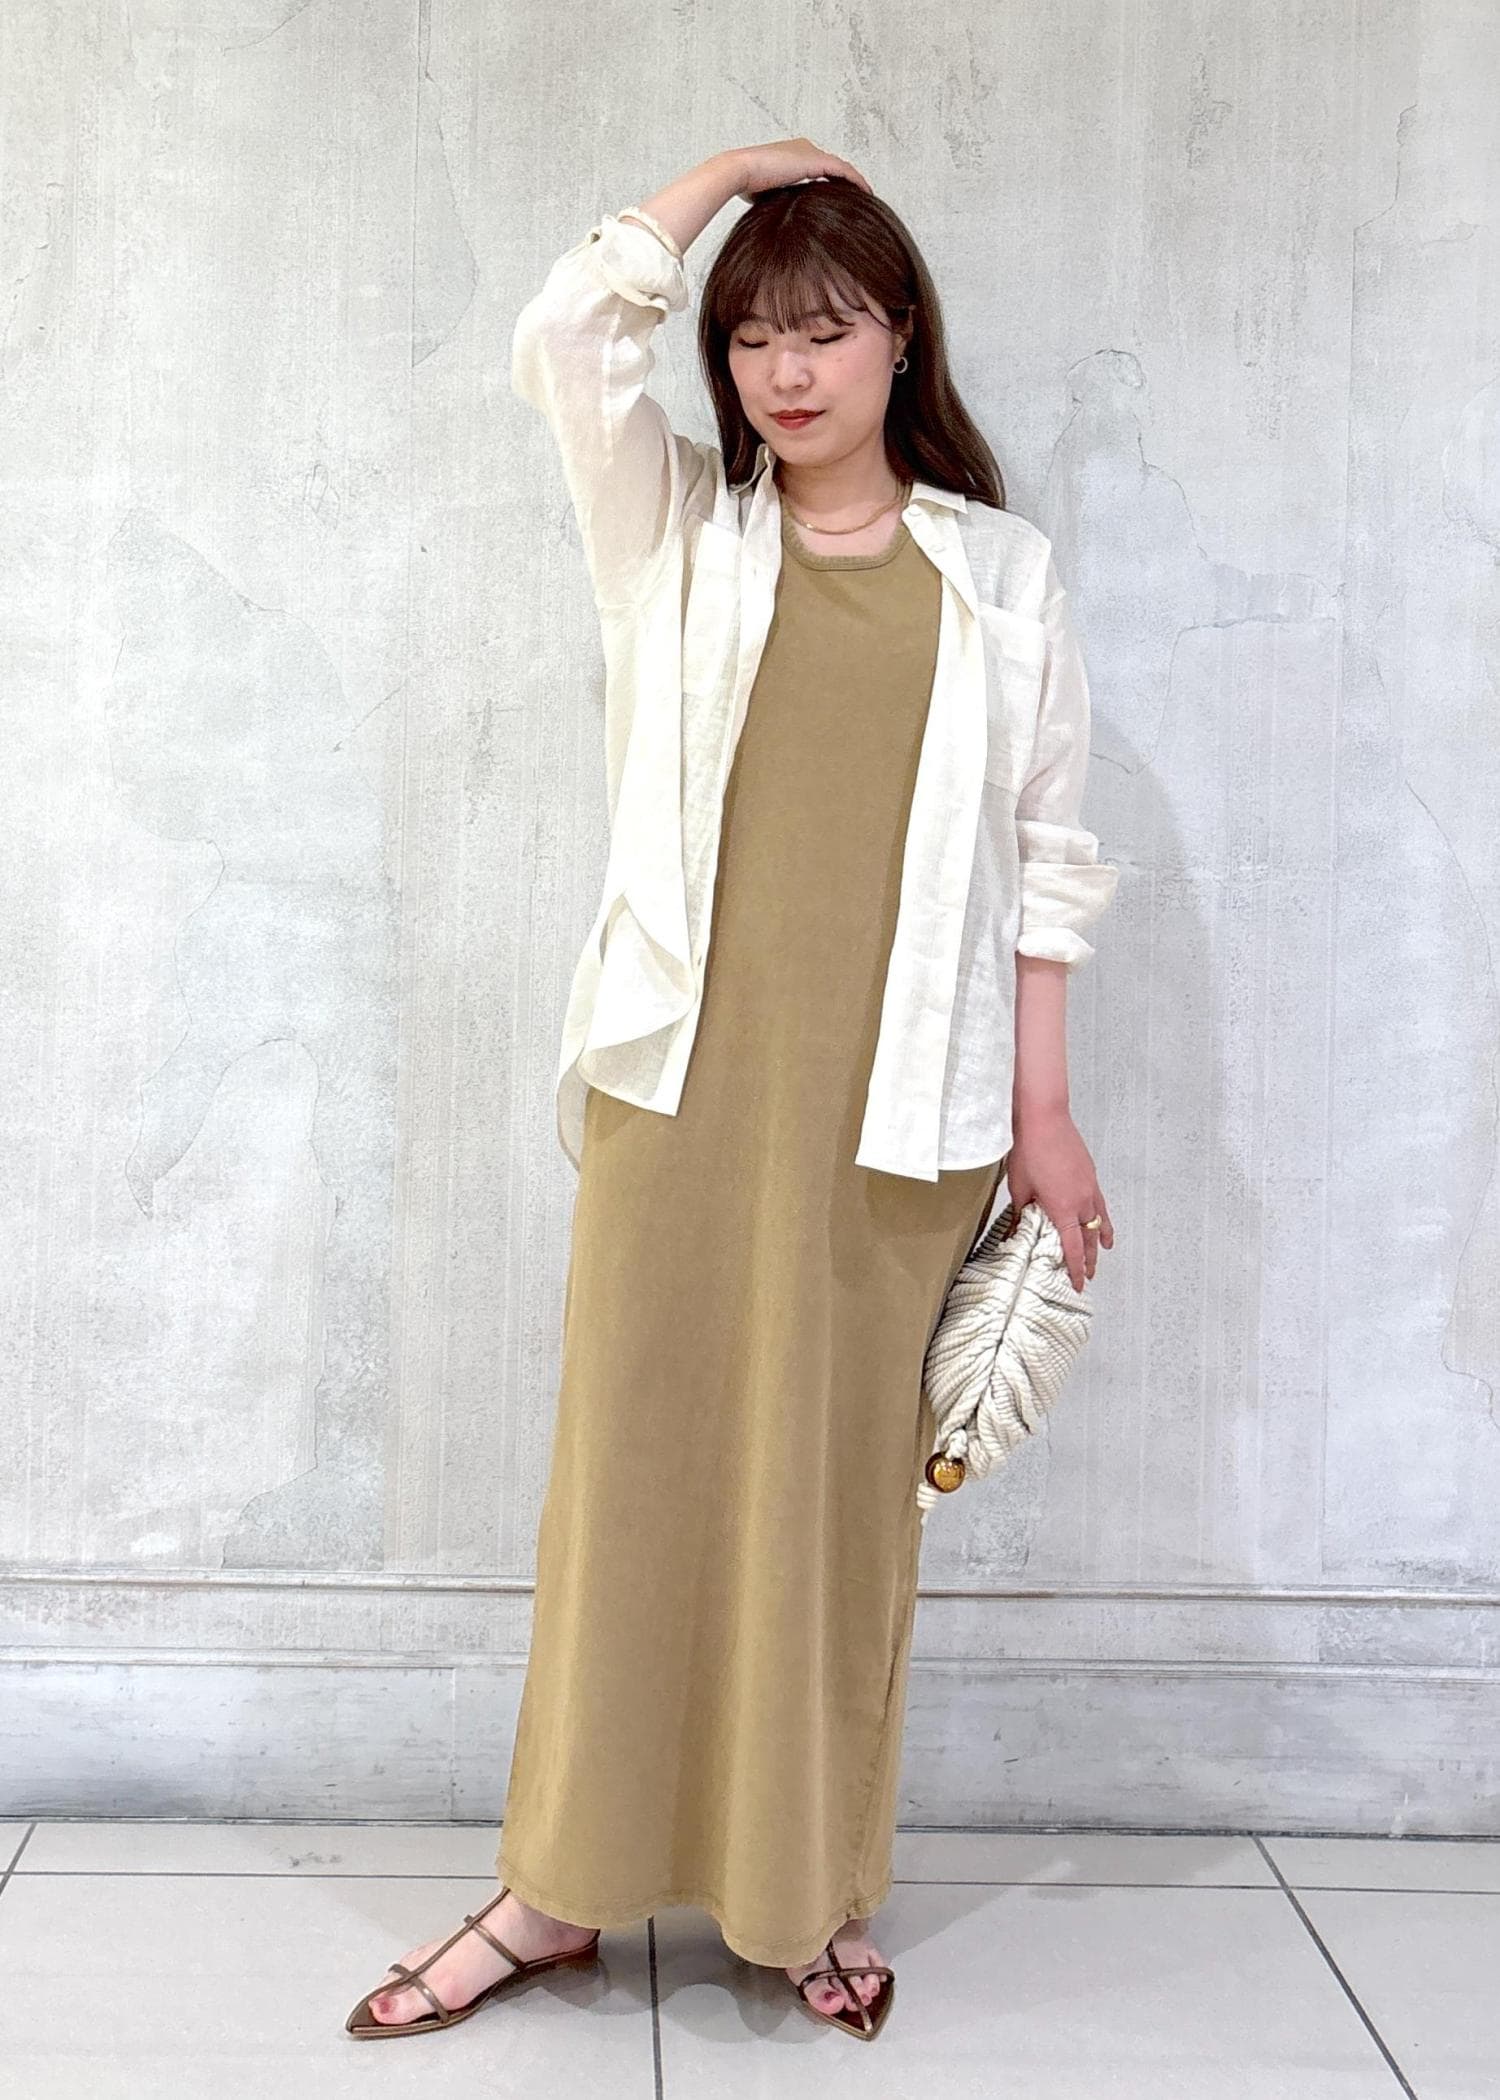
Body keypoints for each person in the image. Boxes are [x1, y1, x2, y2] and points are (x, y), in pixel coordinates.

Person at [346, 136, 1118, 2046]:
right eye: (753, 336)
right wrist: (736, 177)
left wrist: (1045, 1114)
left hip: (899, 1120)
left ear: (901, 336)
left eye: (826, 328)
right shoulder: (679, 535)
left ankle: (804, 1892)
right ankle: (554, 1889)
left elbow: (1047, 864)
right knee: (631, 1488)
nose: (786, 369)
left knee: (834, 1513)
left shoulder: (999, 576)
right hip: (679, 1098)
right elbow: (565, 332)